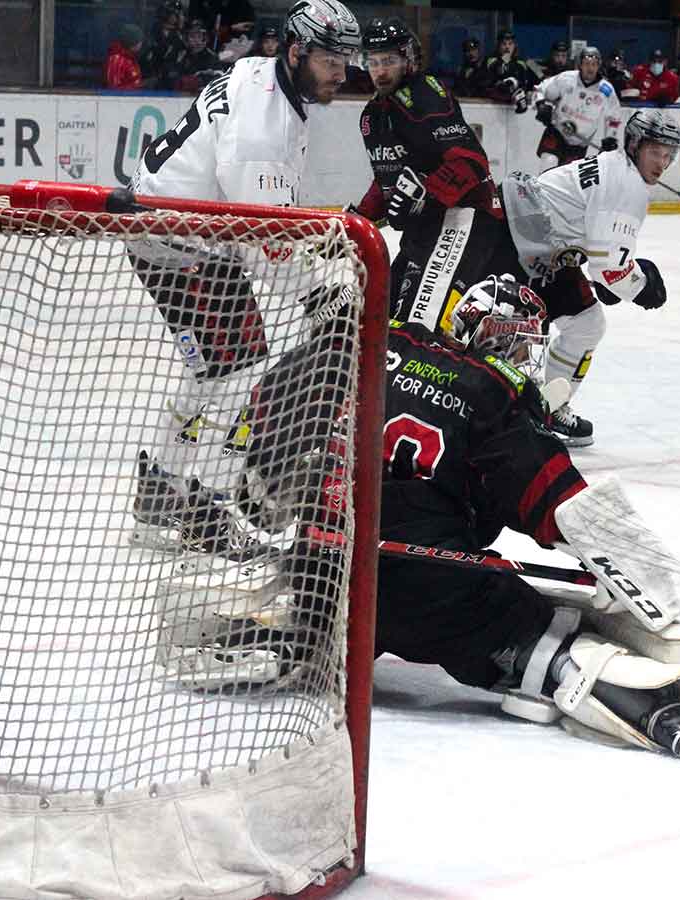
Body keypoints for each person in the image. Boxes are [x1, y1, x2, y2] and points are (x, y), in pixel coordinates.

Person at [165, 273, 680, 762]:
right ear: (494, 341)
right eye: (519, 343)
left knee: (354, 596)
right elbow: (564, 505)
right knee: (542, 630)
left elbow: (270, 405)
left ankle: (300, 635)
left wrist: (266, 493)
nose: (526, 358)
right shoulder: (490, 391)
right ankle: (660, 713)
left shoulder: (375, 342)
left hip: (324, 562)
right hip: (429, 578)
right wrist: (657, 586)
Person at [127, 0, 362, 555]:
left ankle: (162, 489)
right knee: (237, 373)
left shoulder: (266, 76)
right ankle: (203, 508)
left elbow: (266, 217)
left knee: (215, 372)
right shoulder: (262, 127)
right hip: (177, 242)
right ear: (298, 50)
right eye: (332, 60)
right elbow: (268, 250)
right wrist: (324, 293)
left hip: (187, 231)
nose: (343, 74)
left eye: (346, 60)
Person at [488, 109, 680, 446]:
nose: (661, 163)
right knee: (516, 342)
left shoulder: (615, 164)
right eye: (655, 152)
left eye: (667, 155)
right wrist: (642, 287)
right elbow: (611, 270)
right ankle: (508, 423)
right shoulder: (628, 186)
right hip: (519, 245)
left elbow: (597, 248)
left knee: (586, 323)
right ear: (635, 146)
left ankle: (549, 407)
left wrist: (611, 277)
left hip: (535, 242)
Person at [352, 18, 501, 337]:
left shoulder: (424, 96)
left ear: (408, 59)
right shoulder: (372, 116)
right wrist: (358, 219)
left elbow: (472, 162)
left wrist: (427, 196)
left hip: (464, 219)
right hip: (428, 226)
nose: (380, 71)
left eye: (388, 61)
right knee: (384, 323)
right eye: (374, 62)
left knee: (420, 329)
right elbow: (388, 177)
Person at [529, 46, 623, 172]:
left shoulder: (606, 90)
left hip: (580, 143)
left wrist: (610, 138)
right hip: (557, 132)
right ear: (580, 65)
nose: (590, 68)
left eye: (594, 64)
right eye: (587, 64)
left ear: (599, 65)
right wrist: (541, 105)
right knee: (548, 164)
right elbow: (541, 89)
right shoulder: (566, 79)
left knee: (566, 179)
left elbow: (614, 115)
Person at [480, 29, 536, 111]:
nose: (507, 47)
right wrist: (506, 58)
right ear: (498, 45)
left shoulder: (523, 61)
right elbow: (490, 77)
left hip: (517, 98)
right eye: (504, 44)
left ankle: (518, 95)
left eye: (510, 44)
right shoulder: (490, 60)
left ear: (514, 45)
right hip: (495, 102)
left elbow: (536, 77)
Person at [142, 1, 187, 90]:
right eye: (175, 14)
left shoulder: (180, 35)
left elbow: (181, 57)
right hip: (153, 78)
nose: (179, 17)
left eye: (179, 15)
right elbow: (149, 56)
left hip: (173, 78)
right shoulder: (154, 32)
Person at [176, 18, 229, 92]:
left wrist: (201, 79)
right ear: (186, 38)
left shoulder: (211, 57)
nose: (196, 40)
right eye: (192, 36)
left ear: (205, 38)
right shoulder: (182, 55)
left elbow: (220, 77)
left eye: (199, 36)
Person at [105, 23, 145, 90]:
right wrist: (141, 85)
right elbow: (114, 89)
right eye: (139, 40)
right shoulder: (116, 60)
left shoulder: (129, 58)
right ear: (132, 41)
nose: (141, 43)